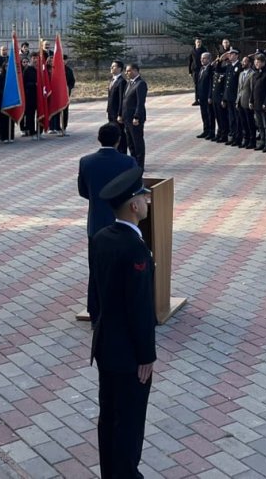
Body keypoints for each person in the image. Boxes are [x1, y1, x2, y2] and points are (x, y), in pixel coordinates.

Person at [88, 167, 157, 478]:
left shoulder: (102, 238)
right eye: (143, 195)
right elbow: (140, 309)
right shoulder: (135, 249)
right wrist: (146, 355)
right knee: (129, 423)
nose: (148, 199)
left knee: (109, 418)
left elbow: (95, 296)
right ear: (133, 205)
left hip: (105, 346)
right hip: (129, 355)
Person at [79, 123, 138, 240]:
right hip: (122, 222)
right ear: (119, 139)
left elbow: (83, 191)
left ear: (99, 139)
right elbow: (135, 190)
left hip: (96, 223)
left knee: (96, 257)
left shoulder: (86, 162)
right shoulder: (128, 162)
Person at [118, 63, 148, 168]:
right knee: (130, 142)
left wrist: (137, 117)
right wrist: (120, 114)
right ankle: (133, 163)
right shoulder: (128, 83)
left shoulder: (141, 84)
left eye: (129, 71)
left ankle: (140, 165)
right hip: (126, 118)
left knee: (137, 142)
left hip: (135, 119)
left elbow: (140, 103)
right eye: (126, 71)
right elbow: (124, 100)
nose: (126, 73)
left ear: (135, 71)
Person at [107, 60, 128, 153]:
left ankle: (122, 152)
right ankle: (115, 152)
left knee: (120, 133)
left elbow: (121, 99)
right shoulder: (112, 80)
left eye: (114, 66)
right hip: (111, 112)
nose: (111, 68)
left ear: (119, 68)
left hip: (117, 113)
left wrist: (120, 114)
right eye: (111, 66)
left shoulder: (121, 81)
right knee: (113, 133)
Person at [188, 38, 207, 105]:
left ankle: (203, 98)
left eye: (199, 42)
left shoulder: (204, 50)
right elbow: (190, 61)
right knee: (196, 85)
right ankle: (196, 100)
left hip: (202, 69)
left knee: (202, 84)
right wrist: (190, 71)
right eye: (197, 42)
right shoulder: (192, 50)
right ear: (195, 43)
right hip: (195, 70)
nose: (198, 43)